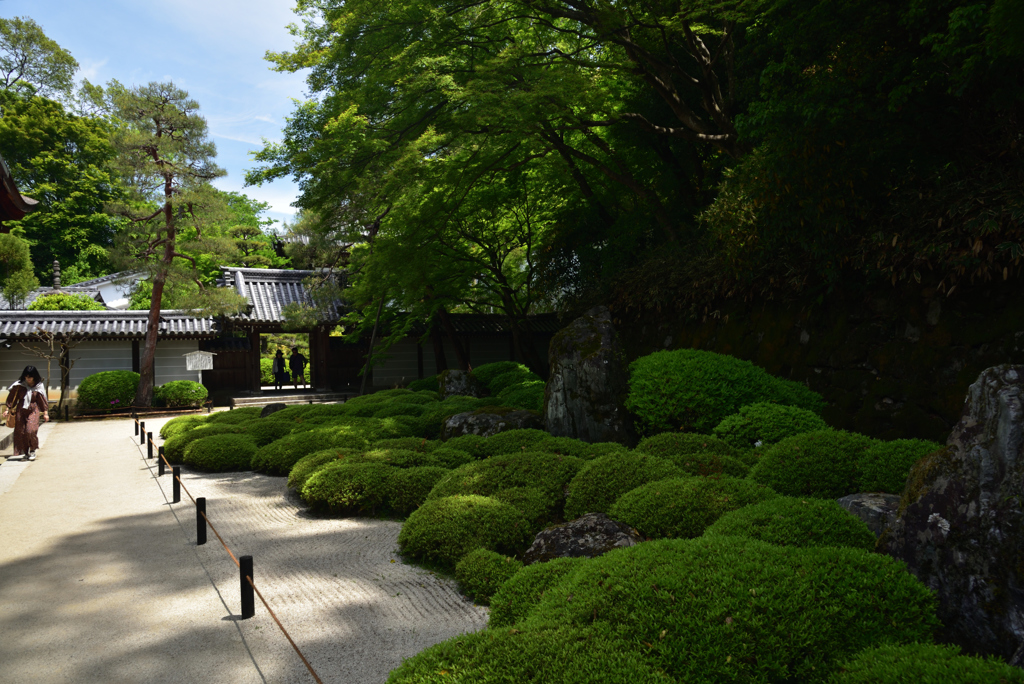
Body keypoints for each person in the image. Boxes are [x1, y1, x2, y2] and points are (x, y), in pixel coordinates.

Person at [3, 365, 49, 461]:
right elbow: (13, 398)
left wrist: (45, 413)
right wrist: (7, 409)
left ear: (35, 376)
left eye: (30, 376)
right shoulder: (19, 385)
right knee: (21, 432)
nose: (28, 379)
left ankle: (32, 449)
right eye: (26, 376)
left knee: (30, 430)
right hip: (21, 410)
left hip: (33, 409)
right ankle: (25, 452)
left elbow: (42, 400)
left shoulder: (38, 386)